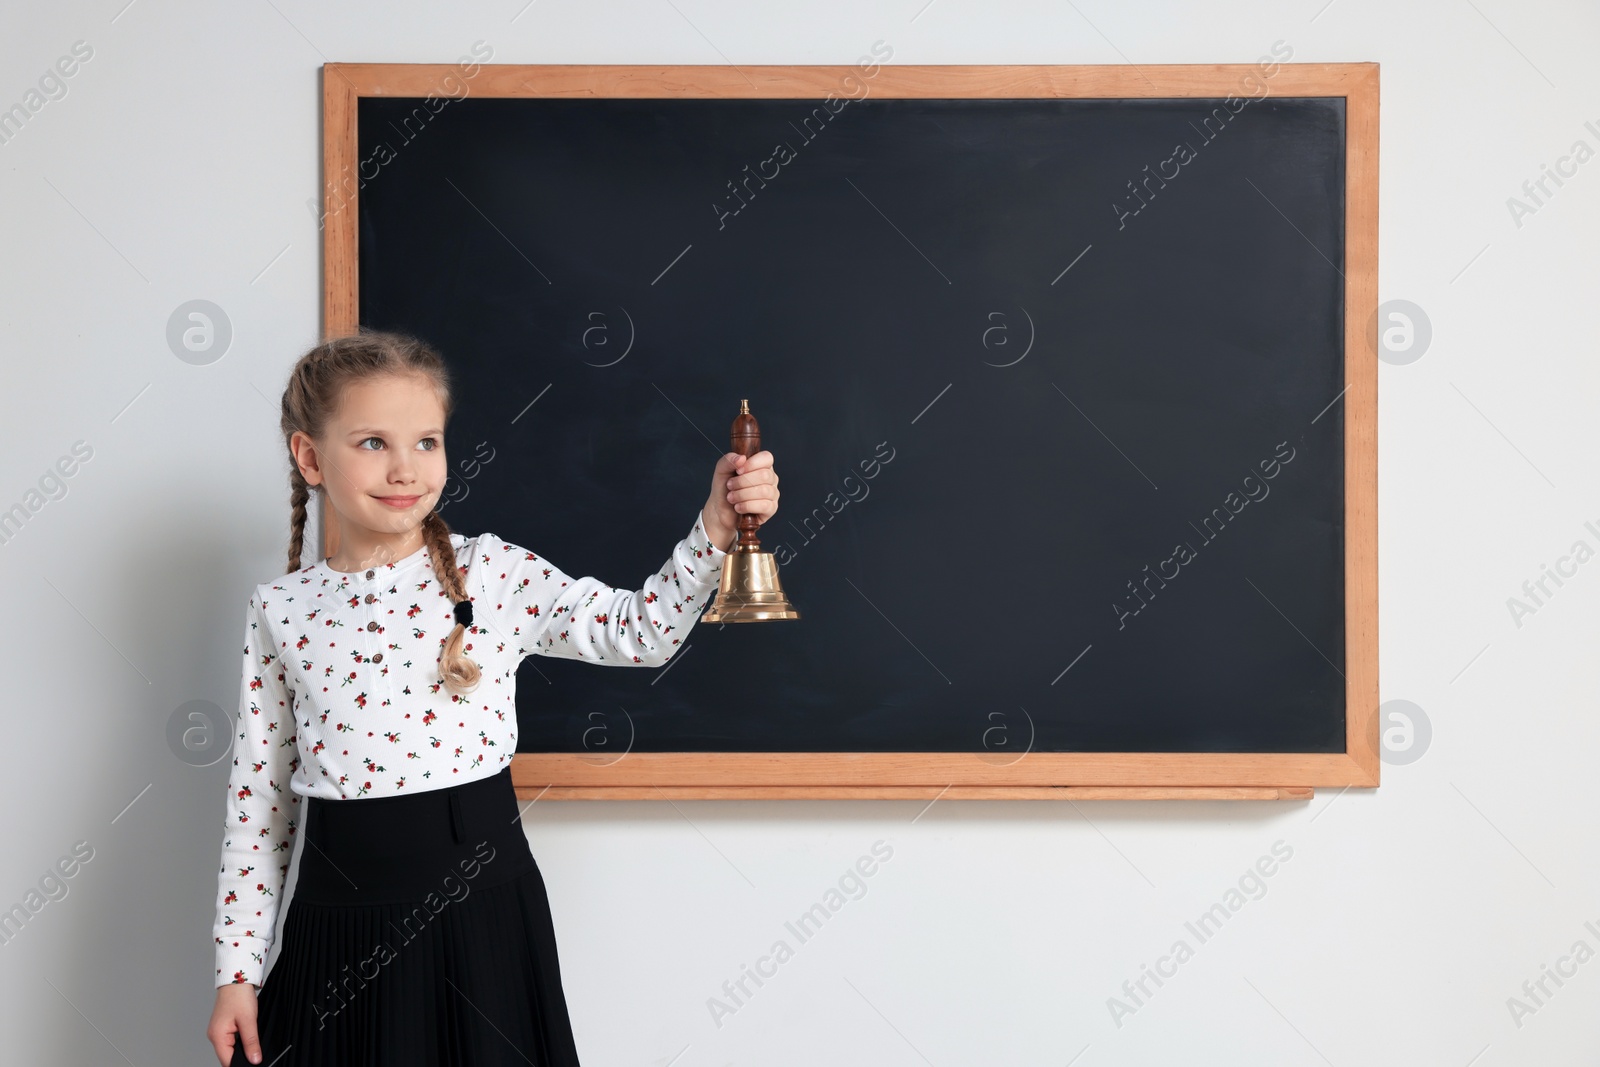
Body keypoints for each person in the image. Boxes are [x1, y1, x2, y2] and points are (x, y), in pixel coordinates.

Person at [204, 328, 780, 1066]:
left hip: (478, 914)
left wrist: (717, 528)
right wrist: (238, 972)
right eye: (373, 442)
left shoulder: (496, 574)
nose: (406, 467)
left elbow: (641, 632)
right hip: (334, 920)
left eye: (427, 441)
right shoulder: (280, 608)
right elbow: (261, 803)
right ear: (310, 457)